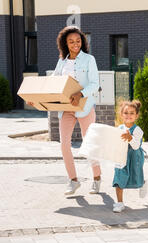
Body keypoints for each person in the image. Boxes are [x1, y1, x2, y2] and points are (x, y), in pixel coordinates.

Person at [28, 26, 101, 196]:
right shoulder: (62, 61)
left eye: (78, 41)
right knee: (64, 145)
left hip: (84, 107)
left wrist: (80, 93)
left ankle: (97, 178)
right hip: (66, 108)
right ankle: (73, 180)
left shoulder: (89, 59)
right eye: (71, 41)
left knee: (89, 144)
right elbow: (53, 83)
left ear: (82, 41)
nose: (75, 44)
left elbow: (94, 84)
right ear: (65, 44)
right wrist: (36, 98)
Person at [112, 100, 146, 213]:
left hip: (134, 158)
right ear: (121, 115)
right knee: (119, 178)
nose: (128, 115)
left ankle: (143, 183)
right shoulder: (119, 129)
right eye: (126, 113)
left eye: (132, 113)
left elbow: (136, 146)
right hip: (121, 158)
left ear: (136, 116)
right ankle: (120, 203)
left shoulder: (137, 130)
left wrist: (130, 138)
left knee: (135, 177)